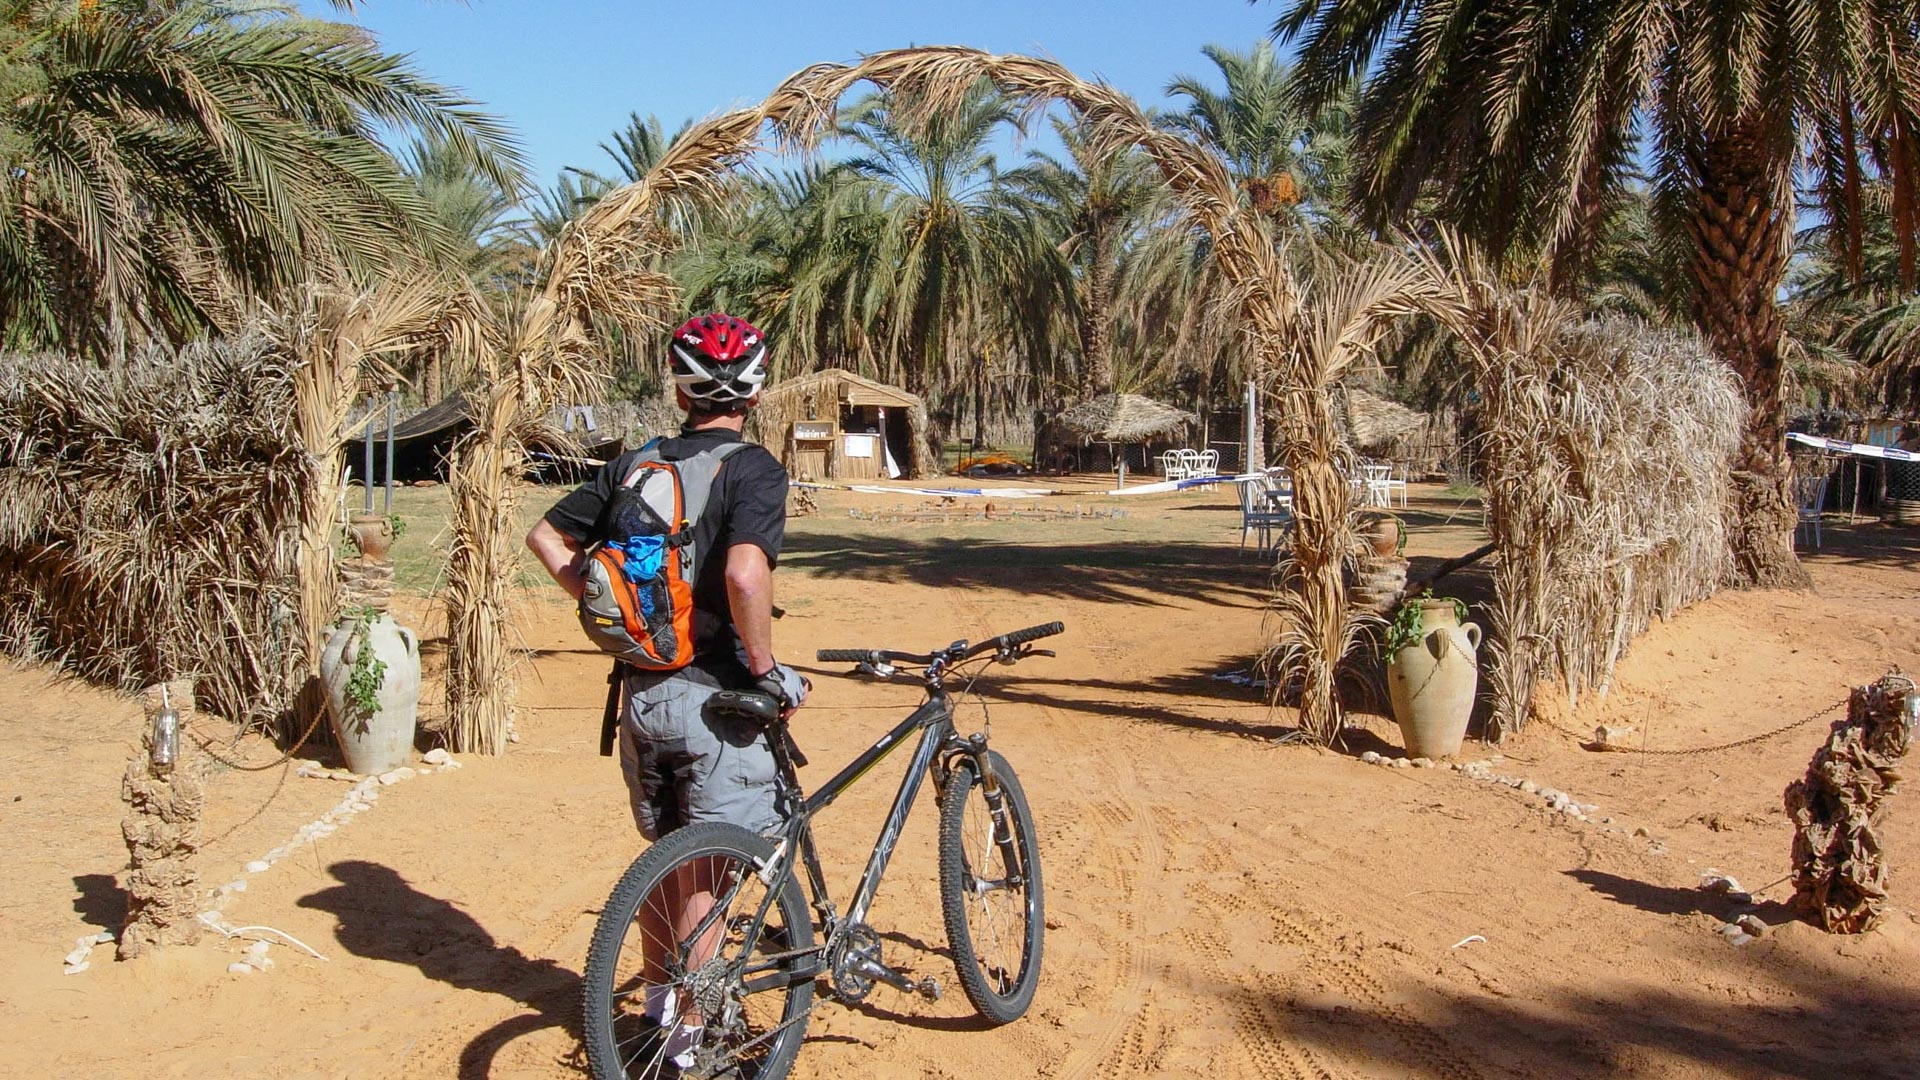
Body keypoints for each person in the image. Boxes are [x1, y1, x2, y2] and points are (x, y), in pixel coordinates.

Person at [524, 312, 807, 1067]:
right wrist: (765, 666)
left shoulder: (635, 465)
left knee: (672, 860)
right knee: (709, 873)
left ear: (679, 387)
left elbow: (546, 538)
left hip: (640, 697)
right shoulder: (753, 470)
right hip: (714, 700)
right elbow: (747, 573)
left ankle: (658, 1010)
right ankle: (691, 1041)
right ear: (754, 387)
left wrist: (609, 607)